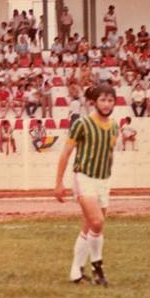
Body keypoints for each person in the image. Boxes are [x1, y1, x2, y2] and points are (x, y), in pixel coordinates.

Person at [54, 84, 120, 286]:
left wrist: (107, 177)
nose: (107, 104)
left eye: (110, 100)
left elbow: (109, 153)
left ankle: (76, 271)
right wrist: (59, 182)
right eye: (103, 100)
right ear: (94, 102)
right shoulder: (82, 124)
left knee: (89, 226)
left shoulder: (115, 127)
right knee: (98, 222)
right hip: (84, 177)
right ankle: (97, 267)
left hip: (103, 180)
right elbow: (66, 153)